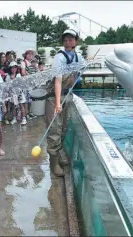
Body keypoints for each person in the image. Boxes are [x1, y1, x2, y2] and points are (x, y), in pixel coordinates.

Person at [45, 29, 85, 177]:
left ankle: (59, 156)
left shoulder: (78, 57)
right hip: (54, 97)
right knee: (54, 130)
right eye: (66, 39)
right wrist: (57, 103)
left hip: (68, 96)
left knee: (63, 129)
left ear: (76, 41)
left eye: (71, 39)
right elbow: (58, 80)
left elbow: (82, 69)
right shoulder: (59, 57)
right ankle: (53, 163)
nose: (68, 42)